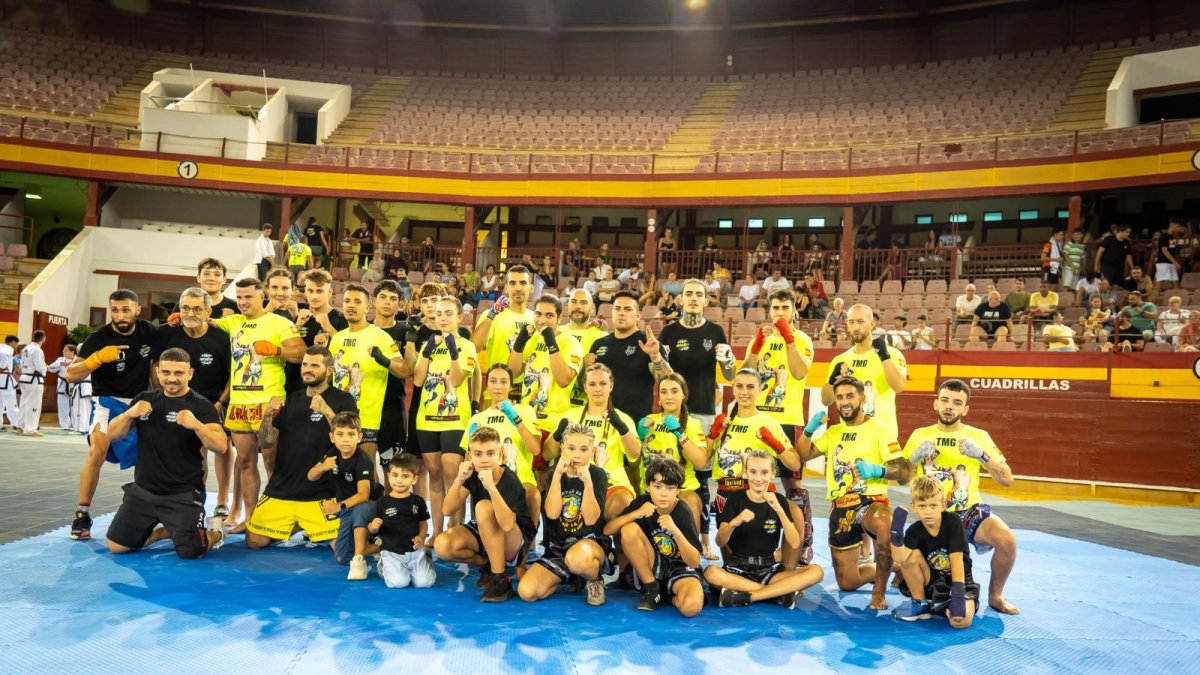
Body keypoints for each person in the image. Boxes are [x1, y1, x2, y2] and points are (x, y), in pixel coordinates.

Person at [902, 378, 1018, 615]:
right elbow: (901, 478)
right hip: (931, 515)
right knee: (900, 560)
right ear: (936, 404)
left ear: (965, 409)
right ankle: (910, 584)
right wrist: (913, 458)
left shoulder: (978, 435)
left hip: (967, 512)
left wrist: (982, 455)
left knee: (1007, 541)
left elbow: (1007, 479)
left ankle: (995, 596)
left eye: (957, 403)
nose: (949, 406)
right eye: (944, 400)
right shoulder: (919, 434)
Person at [102, 348, 228, 559]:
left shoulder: (201, 405)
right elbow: (112, 435)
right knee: (117, 546)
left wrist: (197, 425)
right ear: (158, 372)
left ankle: (215, 532)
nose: (172, 379)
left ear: (190, 374)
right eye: (166, 372)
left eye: (178, 373)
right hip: (144, 491)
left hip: (183, 494)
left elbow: (221, 446)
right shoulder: (144, 399)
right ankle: (164, 531)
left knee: (191, 552)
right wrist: (129, 414)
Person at [797, 376, 910, 610]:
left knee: (883, 523)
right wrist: (809, 431)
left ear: (862, 397)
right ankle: (897, 566)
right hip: (841, 507)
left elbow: (904, 472)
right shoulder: (833, 432)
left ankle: (879, 593)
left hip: (870, 502)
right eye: (839, 397)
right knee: (847, 583)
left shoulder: (880, 429)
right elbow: (802, 456)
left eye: (850, 395)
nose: (844, 401)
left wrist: (877, 470)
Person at [65, 289, 161, 541]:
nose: (120, 315)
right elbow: (71, 375)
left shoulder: (148, 331)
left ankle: (151, 514)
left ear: (137, 310)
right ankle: (82, 514)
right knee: (97, 449)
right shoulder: (99, 338)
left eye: (126, 309)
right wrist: (95, 359)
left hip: (140, 402)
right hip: (106, 401)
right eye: (115, 310)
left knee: (150, 459)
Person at [212, 278, 306, 529]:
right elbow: (202, 322)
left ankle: (280, 518)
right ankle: (251, 518)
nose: (243, 302)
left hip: (269, 404)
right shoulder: (232, 323)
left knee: (272, 463)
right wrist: (179, 318)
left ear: (261, 296)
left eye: (248, 297)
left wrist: (276, 351)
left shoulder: (280, 323)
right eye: (239, 297)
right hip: (239, 404)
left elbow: (301, 354)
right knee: (244, 462)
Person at [246, 346, 357, 551]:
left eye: (315, 365)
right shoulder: (292, 398)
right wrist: (268, 415)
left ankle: (308, 525)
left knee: (341, 547)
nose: (307, 369)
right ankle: (298, 525)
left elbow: (349, 442)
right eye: (305, 364)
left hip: (322, 492)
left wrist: (326, 411)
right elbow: (267, 441)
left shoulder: (343, 399)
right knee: (254, 542)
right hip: (283, 488)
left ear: (329, 371)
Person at [658, 278, 736, 557]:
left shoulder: (715, 331)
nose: (692, 298)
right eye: (688, 294)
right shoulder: (667, 333)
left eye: (698, 295)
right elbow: (660, 376)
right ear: (680, 299)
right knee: (666, 471)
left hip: (702, 412)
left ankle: (704, 538)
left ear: (706, 300)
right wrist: (659, 359)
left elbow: (729, 375)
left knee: (702, 480)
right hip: (671, 413)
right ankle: (663, 532)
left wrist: (729, 360)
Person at [739, 289, 815, 561]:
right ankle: (751, 541)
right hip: (758, 420)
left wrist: (789, 338)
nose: (780, 312)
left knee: (793, 483)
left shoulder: (803, 339)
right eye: (776, 308)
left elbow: (799, 372)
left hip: (789, 420)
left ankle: (803, 542)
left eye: (785, 307)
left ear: (795, 310)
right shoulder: (760, 338)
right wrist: (758, 345)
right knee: (751, 480)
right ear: (769, 310)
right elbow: (744, 374)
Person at [704, 450, 825, 609]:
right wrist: (735, 521)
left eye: (764, 472)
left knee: (817, 571)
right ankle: (778, 594)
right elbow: (720, 541)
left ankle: (747, 596)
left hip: (769, 569)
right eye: (753, 472)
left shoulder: (779, 500)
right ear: (745, 473)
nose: (758, 478)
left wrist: (779, 510)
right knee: (710, 572)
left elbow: (795, 543)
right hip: (738, 568)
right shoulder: (735, 499)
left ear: (773, 474)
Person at [435, 426, 538, 602]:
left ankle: (500, 578)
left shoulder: (510, 479)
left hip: (514, 540)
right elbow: (447, 510)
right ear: (469, 456)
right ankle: (487, 562)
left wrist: (490, 487)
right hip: (488, 533)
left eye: (490, 453)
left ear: (500, 454)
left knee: (483, 506)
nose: (484, 460)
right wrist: (459, 479)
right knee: (443, 545)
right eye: (478, 454)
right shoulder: (472, 475)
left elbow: (507, 524)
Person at [518, 423, 612, 606]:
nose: (576, 454)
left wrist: (587, 484)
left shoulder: (598, 474)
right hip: (558, 547)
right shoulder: (555, 473)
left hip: (589, 544)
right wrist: (558, 476)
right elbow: (552, 514)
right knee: (526, 592)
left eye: (583, 449)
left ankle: (593, 579)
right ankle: (570, 576)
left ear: (592, 451)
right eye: (571, 448)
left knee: (578, 559)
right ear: (562, 448)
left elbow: (591, 518)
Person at [157, 288, 233, 518]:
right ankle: (195, 495)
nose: (191, 313)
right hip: (178, 402)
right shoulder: (168, 333)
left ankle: (222, 499)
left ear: (208, 311)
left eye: (197, 309)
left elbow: (233, 374)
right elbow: (155, 366)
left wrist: (220, 402)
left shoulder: (220, 337)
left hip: (214, 402)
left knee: (221, 448)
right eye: (186, 308)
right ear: (179, 310)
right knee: (194, 454)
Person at [603, 457, 703, 617]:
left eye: (670, 488)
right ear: (647, 486)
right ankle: (651, 588)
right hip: (652, 564)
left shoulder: (682, 511)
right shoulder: (642, 503)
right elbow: (608, 530)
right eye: (657, 487)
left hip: (680, 567)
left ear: (678, 490)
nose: (663, 494)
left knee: (691, 607)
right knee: (628, 529)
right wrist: (636, 513)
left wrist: (674, 530)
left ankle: (666, 596)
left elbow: (694, 561)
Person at [414, 295, 478, 538]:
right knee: (435, 474)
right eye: (439, 313)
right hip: (427, 419)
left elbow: (459, 380)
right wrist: (429, 350)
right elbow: (418, 380)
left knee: (453, 474)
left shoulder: (467, 346)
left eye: (448, 313)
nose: (442, 317)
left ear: (459, 318)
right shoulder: (427, 344)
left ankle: (457, 530)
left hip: (456, 419)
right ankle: (437, 532)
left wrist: (452, 351)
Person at [327, 284, 409, 474]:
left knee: (369, 474)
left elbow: (404, 370)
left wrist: (383, 359)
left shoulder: (380, 336)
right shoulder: (337, 338)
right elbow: (329, 377)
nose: (351, 305)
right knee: (344, 474)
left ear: (367, 307)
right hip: (340, 417)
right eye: (347, 301)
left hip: (369, 418)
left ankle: (381, 505)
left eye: (357, 301)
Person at [546, 364, 640, 524]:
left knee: (623, 502)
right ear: (585, 386)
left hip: (612, 482)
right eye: (592, 384)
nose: (597, 389)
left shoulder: (623, 419)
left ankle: (614, 546)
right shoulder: (570, 415)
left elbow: (635, 456)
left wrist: (622, 428)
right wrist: (558, 433)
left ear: (611, 386)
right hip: (572, 482)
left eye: (603, 384)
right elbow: (548, 454)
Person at [509, 294, 583, 478]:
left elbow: (564, 379)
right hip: (527, 418)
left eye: (549, 316)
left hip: (553, 421)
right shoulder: (531, 339)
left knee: (545, 478)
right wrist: (519, 344)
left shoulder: (570, 342)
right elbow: (513, 373)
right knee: (522, 475)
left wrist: (551, 342)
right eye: (538, 314)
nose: (542, 320)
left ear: (559, 318)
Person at [889, 476, 979, 627]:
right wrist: (896, 535)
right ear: (914, 506)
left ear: (943, 505)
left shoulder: (953, 522)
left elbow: (956, 560)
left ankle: (943, 606)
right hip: (931, 583)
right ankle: (921, 605)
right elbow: (900, 557)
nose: (928, 512)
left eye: (933, 505)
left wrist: (957, 597)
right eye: (922, 506)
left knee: (960, 622)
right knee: (909, 557)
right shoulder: (914, 530)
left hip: (959, 583)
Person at [462, 364, 542, 529]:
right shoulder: (478, 418)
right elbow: (467, 461)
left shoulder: (525, 411)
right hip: (488, 478)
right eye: (493, 381)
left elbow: (535, 449)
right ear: (487, 384)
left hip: (521, 477)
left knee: (533, 495)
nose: (498, 386)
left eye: (503, 381)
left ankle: (528, 547)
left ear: (510, 385)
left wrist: (515, 418)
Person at [636, 374, 709, 534]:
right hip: (651, 488)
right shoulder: (649, 421)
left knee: (691, 501)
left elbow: (701, 462)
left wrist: (679, 432)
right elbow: (633, 456)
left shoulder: (693, 424)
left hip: (682, 488)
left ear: (684, 394)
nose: (669, 396)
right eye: (664, 392)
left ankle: (691, 553)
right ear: (659, 398)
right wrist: (639, 437)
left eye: (674, 391)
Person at [307, 411, 376, 580]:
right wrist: (323, 467)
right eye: (340, 434)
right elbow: (310, 476)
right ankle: (381, 545)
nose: (345, 439)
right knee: (342, 558)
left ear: (359, 437)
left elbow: (364, 495)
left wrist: (338, 506)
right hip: (347, 509)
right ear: (332, 437)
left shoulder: (363, 460)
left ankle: (359, 560)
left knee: (360, 510)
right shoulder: (333, 453)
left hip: (370, 506)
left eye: (351, 434)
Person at [823, 304, 907, 438]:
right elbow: (826, 401)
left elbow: (899, 387)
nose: (856, 327)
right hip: (850, 436)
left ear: (872, 324)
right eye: (851, 322)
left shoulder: (892, 354)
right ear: (847, 324)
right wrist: (833, 379)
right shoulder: (840, 360)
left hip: (882, 436)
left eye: (860, 321)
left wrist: (884, 357)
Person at [589, 292, 672, 422]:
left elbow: (668, 381)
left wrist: (655, 356)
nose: (621, 313)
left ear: (638, 316)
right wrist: (585, 367)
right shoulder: (599, 344)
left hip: (635, 424)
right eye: (617, 308)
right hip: (601, 423)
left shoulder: (649, 343)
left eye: (627, 309)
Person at [369, 454, 436, 588]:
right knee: (399, 583)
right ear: (388, 476)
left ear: (414, 479)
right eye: (395, 475)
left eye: (405, 476)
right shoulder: (382, 502)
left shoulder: (418, 501)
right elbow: (371, 528)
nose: (399, 480)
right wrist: (374, 527)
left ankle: (424, 558)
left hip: (415, 551)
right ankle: (384, 563)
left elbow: (423, 522)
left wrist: (422, 537)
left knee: (425, 583)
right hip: (391, 551)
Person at [287, 269, 348, 394]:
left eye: (319, 291)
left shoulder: (340, 319)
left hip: (326, 387)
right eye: (310, 291)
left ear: (329, 292)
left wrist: (328, 327)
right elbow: (289, 348)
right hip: (295, 386)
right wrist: (296, 326)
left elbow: (348, 351)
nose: (314, 296)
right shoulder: (299, 318)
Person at [371, 280, 411, 471]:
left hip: (392, 405)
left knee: (393, 468)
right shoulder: (362, 330)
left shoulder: (405, 331)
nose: (387, 302)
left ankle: (390, 501)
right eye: (383, 297)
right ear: (373, 301)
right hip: (365, 405)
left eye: (393, 298)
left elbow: (409, 369)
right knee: (364, 464)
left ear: (400, 304)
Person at [473, 265, 535, 374]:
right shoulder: (491, 315)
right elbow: (475, 347)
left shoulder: (537, 319)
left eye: (523, 283)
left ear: (531, 288)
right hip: (498, 388)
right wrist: (492, 315)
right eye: (512, 283)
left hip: (530, 389)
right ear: (506, 288)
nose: (518, 288)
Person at [15, 329, 47, 436]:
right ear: (43, 338)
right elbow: (39, 367)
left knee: (24, 402)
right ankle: (30, 429)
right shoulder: (37, 350)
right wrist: (45, 369)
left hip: (24, 377)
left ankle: (21, 426)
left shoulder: (26, 348)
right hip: (34, 379)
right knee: (34, 403)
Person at [48, 344, 77, 431]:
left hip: (73, 383)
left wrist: (70, 363)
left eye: (66, 350)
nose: (64, 352)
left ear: (72, 351)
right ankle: (64, 424)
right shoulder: (60, 360)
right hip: (62, 383)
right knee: (62, 405)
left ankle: (75, 424)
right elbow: (51, 368)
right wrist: (60, 363)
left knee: (74, 405)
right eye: (63, 350)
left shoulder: (77, 359)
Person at [1157, 219, 1185, 290]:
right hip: (1163, 263)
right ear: (1172, 225)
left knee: (1176, 283)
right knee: (1159, 284)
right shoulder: (1164, 237)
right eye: (1178, 227)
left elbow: (1171, 251)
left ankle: (1177, 300)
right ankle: (1153, 300)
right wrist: (1175, 262)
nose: (1179, 229)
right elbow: (1164, 251)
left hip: (1171, 263)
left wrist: (1174, 262)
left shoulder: (1172, 238)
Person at [0, 335, 19, 431]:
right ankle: (16, 424)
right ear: (13, 343)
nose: (16, 346)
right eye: (16, 344)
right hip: (5, 378)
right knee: (11, 401)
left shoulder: (1, 346)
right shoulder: (8, 349)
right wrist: (2, 366)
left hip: (2, 377)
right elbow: (4, 355)